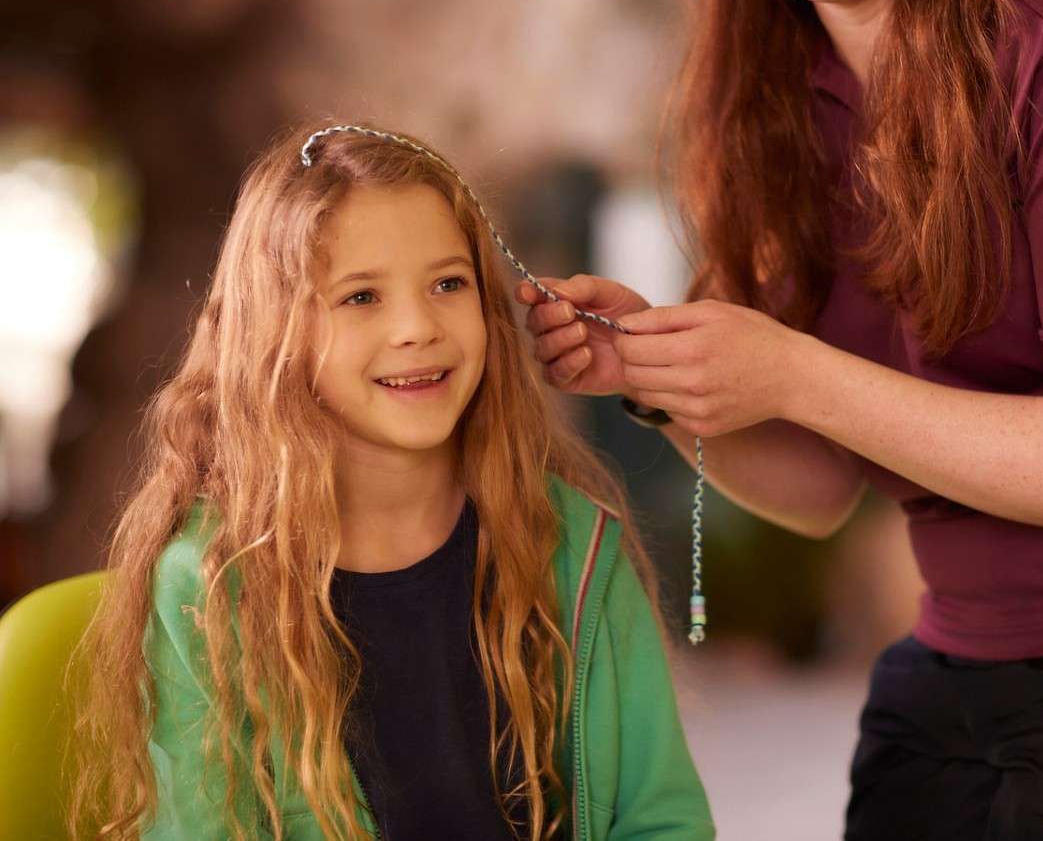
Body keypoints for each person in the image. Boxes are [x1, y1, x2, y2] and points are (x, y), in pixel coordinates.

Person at [518, 0, 1043, 837]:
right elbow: (818, 490)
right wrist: (654, 378)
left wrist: (795, 375)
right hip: (960, 660)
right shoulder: (776, 84)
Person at [68, 123, 714, 841]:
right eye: (361, 297)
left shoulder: (571, 542)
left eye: (448, 283)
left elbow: (664, 819)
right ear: (274, 334)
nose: (416, 327)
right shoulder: (211, 585)